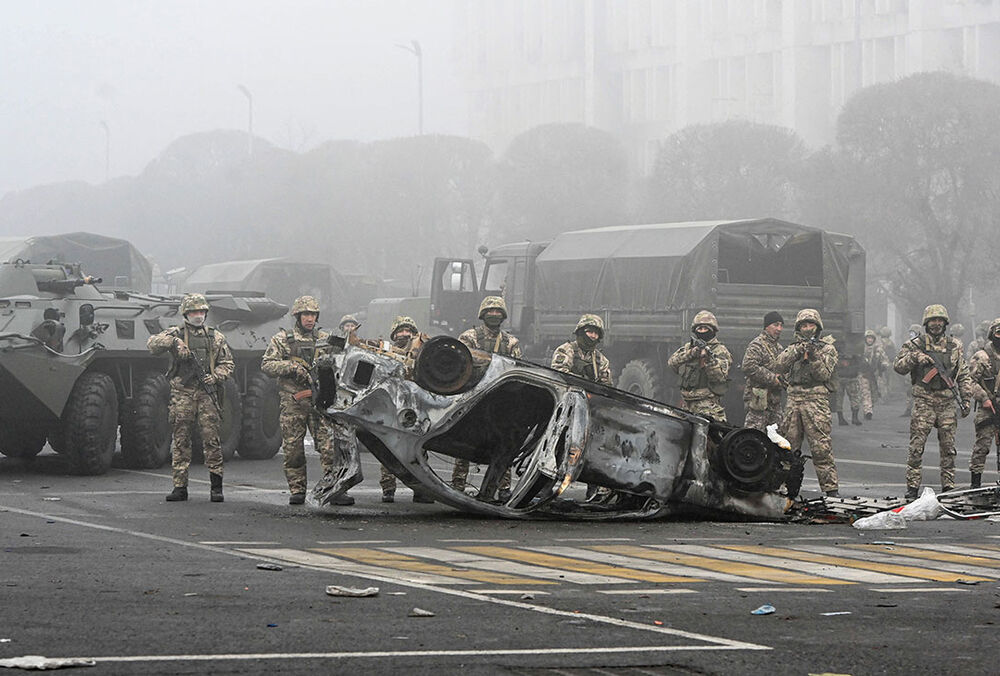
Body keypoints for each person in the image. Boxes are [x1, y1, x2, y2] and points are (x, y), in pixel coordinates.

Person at [261, 295, 354, 506]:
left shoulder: (325, 339)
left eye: (313, 315)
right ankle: (297, 490)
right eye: (306, 315)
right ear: (298, 316)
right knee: (293, 449)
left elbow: (344, 358)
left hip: (320, 402)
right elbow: (267, 365)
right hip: (293, 402)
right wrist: (292, 367)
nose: (309, 319)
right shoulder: (284, 339)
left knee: (330, 448)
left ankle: (334, 489)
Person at [148, 293, 234, 503]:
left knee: (211, 439)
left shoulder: (215, 337)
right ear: (186, 313)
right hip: (183, 393)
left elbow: (228, 364)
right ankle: (180, 486)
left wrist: (215, 377)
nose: (198, 316)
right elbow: (152, 344)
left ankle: (216, 486)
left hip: (207, 393)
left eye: (201, 312)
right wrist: (175, 342)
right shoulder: (176, 333)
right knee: (180, 439)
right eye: (194, 312)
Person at [893, 304, 973, 498]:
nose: (936, 324)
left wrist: (966, 399)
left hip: (947, 402)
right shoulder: (915, 344)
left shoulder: (955, 346)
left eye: (940, 321)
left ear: (945, 323)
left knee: (948, 448)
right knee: (916, 447)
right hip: (924, 401)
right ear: (926, 323)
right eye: (932, 321)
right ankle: (912, 488)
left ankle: (948, 486)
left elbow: (963, 373)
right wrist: (915, 358)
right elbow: (898, 366)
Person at [451, 296, 523, 496]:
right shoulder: (469, 338)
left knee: (504, 442)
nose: (494, 314)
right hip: (473, 396)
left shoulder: (511, 342)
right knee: (464, 441)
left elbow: (518, 370)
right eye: (490, 311)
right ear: (483, 314)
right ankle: (458, 484)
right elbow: (460, 365)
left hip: (501, 400)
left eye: (498, 311)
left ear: (503, 316)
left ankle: (504, 487)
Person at [772, 309, 841, 497]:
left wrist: (813, 356)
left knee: (821, 448)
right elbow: (779, 364)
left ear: (818, 327)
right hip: (794, 400)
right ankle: (787, 489)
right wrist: (797, 351)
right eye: (803, 325)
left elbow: (824, 374)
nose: (807, 328)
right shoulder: (793, 347)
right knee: (788, 447)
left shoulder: (827, 349)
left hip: (816, 400)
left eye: (810, 325)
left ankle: (830, 490)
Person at [379, 316, 434, 504]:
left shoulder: (422, 352)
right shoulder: (384, 352)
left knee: (419, 449)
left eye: (408, 330)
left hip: (416, 407)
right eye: (400, 331)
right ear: (394, 334)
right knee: (388, 446)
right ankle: (388, 488)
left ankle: (421, 490)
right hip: (392, 406)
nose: (404, 334)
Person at [667, 310, 732, 422]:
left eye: (705, 329)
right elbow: (672, 363)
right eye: (699, 329)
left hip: (707, 405)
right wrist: (691, 354)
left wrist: (708, 360)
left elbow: (719, 377)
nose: (702, 331)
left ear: (712, 330)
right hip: (686, 405)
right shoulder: (689, 348)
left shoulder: (720, 351)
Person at [966, 317, 1000, 488]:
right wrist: (984, 398)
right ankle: (975, 484)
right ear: (991, 334)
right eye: (998, 332)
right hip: (988, 408)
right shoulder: (982, 356)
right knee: (982, 447)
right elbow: (969, 381)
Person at [741, 311, 785, 431]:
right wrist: (772, 378)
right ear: (766, 326)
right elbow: (748, 366)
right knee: (754, 436)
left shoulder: (779, 348)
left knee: (777, 438)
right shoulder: (757, 345)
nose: (779, 329)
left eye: (781, 325)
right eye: (776, 325)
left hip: (774, 402)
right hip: (758, 401)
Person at [550, 314, 613, 386]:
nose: (593, 336)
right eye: (590, 332)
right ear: (581, 332)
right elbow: (559, 375)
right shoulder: (566, 350)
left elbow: (607, 385)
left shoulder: (601, 359)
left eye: (596, 333)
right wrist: (582, 381)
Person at [859, 329, 889, 420]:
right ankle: (868, 411)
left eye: (871, 338)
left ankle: (870, 407)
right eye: (868, 338)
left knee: (874, 395)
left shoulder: (878, 349)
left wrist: (884, 365)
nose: (870, 340)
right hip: (863, 374)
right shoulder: (860, 349)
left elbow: (885, 359)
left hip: (874, 375)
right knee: (865, 393)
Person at [832, 346, 863, 426]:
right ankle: (852, 418)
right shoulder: (855, 346)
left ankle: (847, 418)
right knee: (852, 397)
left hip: (845, 377)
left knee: (844, 398)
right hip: (846, 377)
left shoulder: (836, 347)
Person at [877, 326, 896, 399]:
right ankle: (888, 393)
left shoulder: (880, 342)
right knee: (889, 380)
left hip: (882, 364)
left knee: (882, 380)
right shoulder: (891, 342)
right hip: (890, 364)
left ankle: (884, 396)